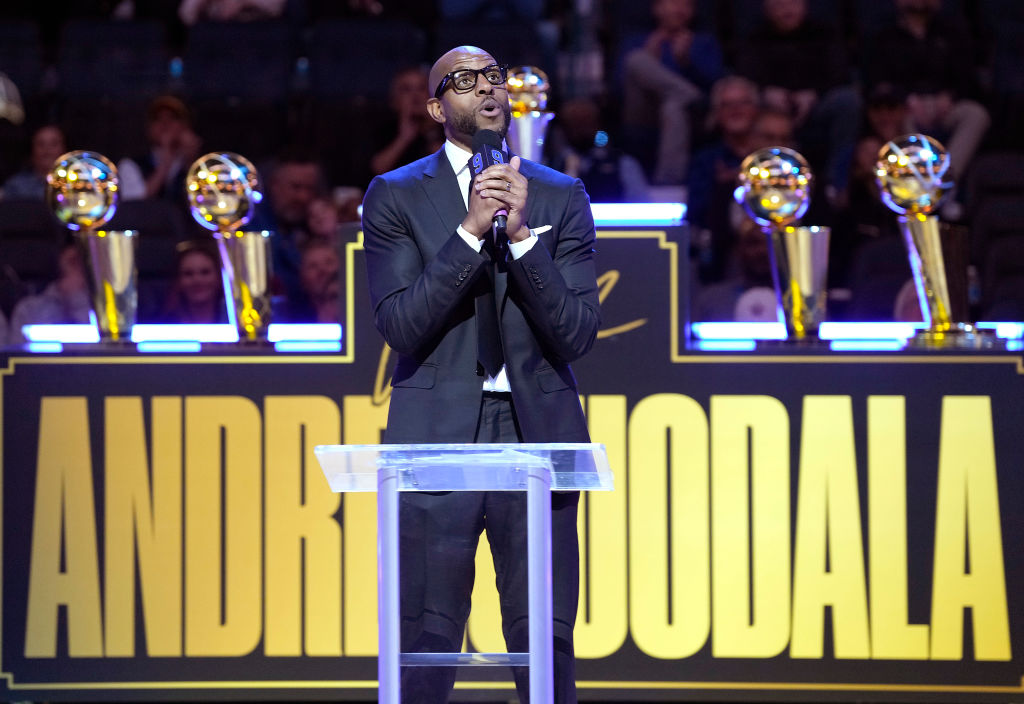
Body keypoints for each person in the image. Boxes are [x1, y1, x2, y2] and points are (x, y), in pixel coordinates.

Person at [361, 45, 600, 704]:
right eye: (463, 82)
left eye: (495, 77)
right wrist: (469, 233)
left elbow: (576, 333)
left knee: (543, 639)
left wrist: (522, 240)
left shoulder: (559, 194)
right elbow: (402, 326)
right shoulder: (395, 195)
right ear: (437, 107)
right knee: (428, 637)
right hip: (437, 438)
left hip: (538, 438)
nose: (487, 90)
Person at [622, 0, 725, 184]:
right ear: (656, 8)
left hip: (690, 115)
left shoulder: (703, 42)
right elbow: (618, 87)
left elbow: (716, 84)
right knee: (637, 59)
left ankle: (668, 183)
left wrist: (686, 63)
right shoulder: (636, 40)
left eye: (686, 4)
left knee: (673, 106)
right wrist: (650, 57)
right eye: (672, 2)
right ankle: (688, 94)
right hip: (643, 111)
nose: (679, 9)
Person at [118, 95, 202, 207]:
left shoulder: (199, 167)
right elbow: (134, 205)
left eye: (172, 118)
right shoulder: (130, 165)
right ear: (149, 128)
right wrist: (165, 163)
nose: (165, 124)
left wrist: (191, 162)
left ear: (185, 126)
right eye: (158, 119)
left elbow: (205, 205)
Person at [369, 66, 446, 178]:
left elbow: (451, 169)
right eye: (407, 89)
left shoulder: (448, 128)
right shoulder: (383, 130)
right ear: (395, 100)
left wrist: (430, 129)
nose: (416, 96)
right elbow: (377, 171)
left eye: (421, 88)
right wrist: (404, 138)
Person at [8, 241, 91, 344]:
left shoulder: (104, 309)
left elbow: (101, 347)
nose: (77, 266)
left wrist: (76, 296)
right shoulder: (29, 308)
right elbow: (14, 354)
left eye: (83, 259)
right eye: (73, 261)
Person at [158, 240, 227, 324]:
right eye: (188, 274)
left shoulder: (238, 321)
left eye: (205, 272)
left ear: (219, 277)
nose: (197, 280)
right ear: (178, 280)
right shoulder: (163, 323)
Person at [1, 124, 66, 201]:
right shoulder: (16, 185)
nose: (47, 150)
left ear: (64, 149)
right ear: (32, 150)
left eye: (54, 144)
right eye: (41, 144)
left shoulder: (76, 184)